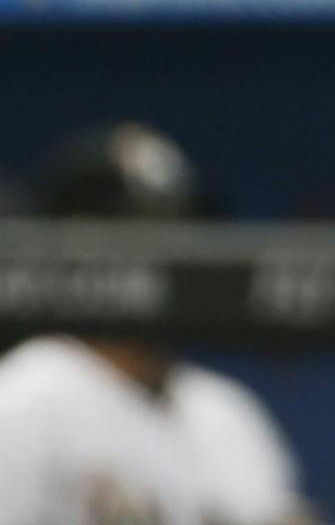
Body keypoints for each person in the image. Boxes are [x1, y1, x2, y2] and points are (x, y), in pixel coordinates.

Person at [0, 122, 317, 525]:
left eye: (181, 229)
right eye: (143, 233)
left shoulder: (224, 410)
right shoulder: (23, 395)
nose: (173, 252)